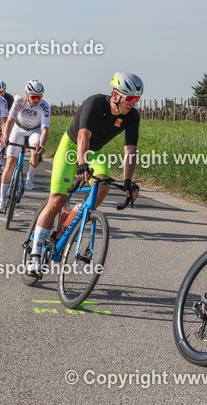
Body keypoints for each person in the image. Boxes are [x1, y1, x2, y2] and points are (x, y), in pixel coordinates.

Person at [25, 72, 143, 275]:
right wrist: (82, 164)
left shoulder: (132, 116)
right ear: (116, 94)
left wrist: (128, 181)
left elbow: (130, 149)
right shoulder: (95, 103)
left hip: (95, 152)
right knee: (57, 201)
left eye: (137, 99)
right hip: (71, 147)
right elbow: (82, 136)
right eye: (130, 98)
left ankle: (77, 212)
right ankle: (35, 255)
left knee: (104, 182)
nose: (133, 103)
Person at [0, 80, 50, 213]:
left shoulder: (45, 106)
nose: (36, 100)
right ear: (27, 94)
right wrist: (6, 137)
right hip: (18, 129)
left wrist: (41, 145)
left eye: (39, 97)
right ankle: (1, 200)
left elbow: (45, 129)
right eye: (34, 97)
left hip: (34, 130)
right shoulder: (19, 101)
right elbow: (10, 120)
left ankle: (30, 176)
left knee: (36, 152)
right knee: (10, 164)